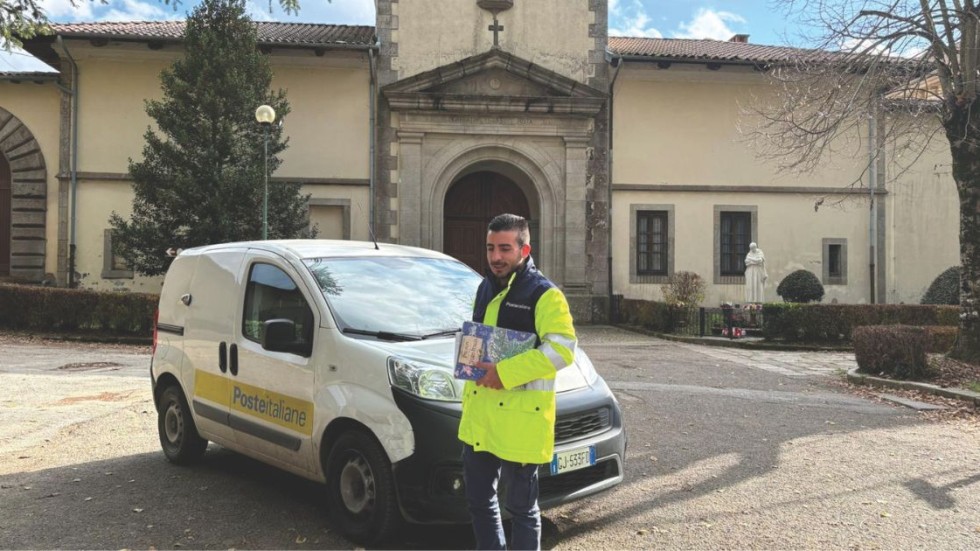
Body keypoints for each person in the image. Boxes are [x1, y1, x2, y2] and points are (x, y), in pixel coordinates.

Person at [457, 213, 578, 551]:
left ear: (525, 250)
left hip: (520, 422)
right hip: (481, 417)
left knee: (522, 511)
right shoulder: (484, 286)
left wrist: (504, 373)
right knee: (479, 503)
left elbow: (562, 349)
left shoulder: (545, 294)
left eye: (505, 248)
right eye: (491, 248)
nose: (496, 257)